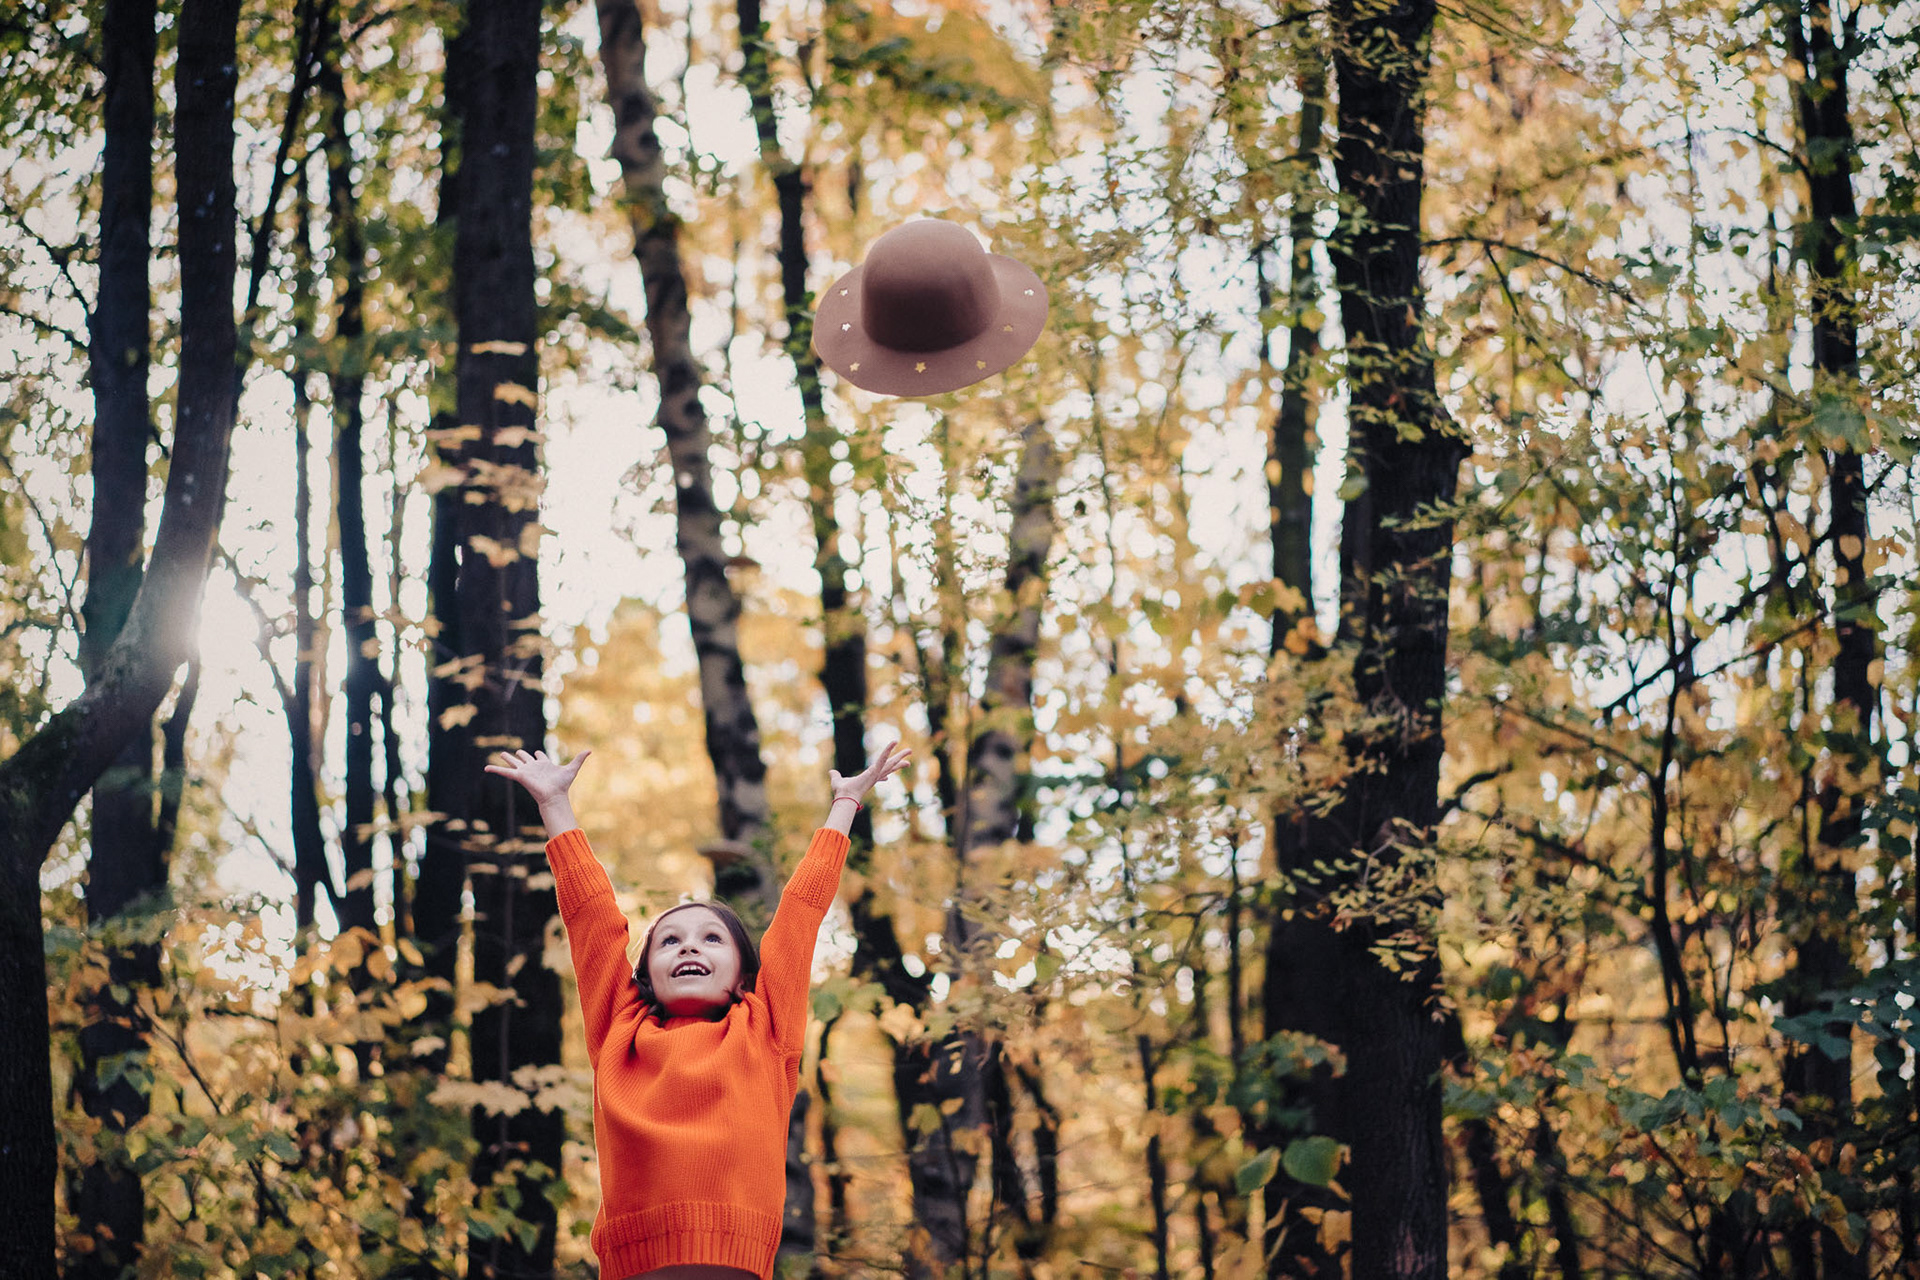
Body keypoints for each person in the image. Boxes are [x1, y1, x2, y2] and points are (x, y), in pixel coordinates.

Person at [483, 740, 911, 1280]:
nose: (688, 947)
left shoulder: (765, 1026)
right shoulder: (620, 1026)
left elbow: (800, 916)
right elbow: (590, 918)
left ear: (742, 974)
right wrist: (554, 806)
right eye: (668, 941)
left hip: (737, 1259)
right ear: (645, 975)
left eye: (712, 938)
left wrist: (844, 806)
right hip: (635, 1262)